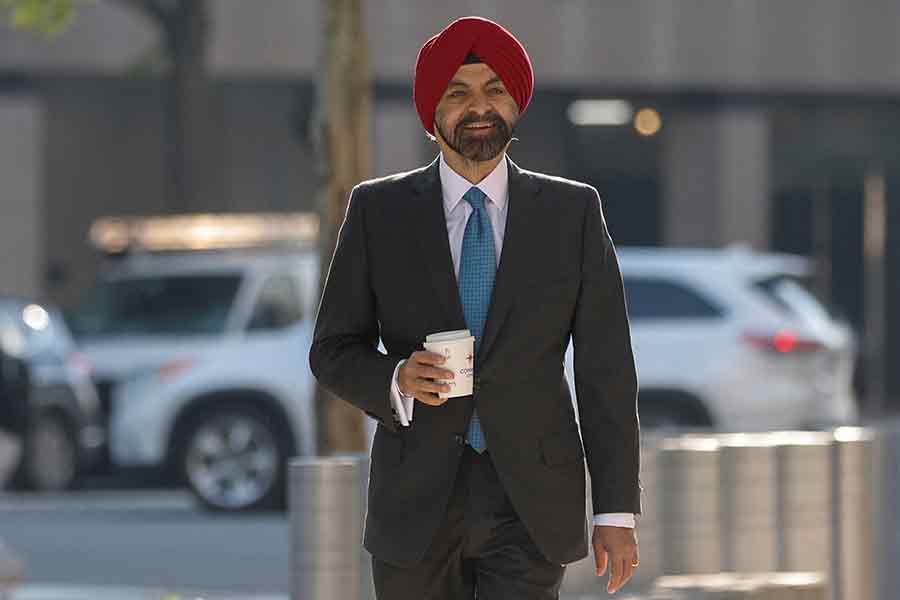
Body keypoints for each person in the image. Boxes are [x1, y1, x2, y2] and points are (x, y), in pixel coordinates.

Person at [309, 15, 641, 599]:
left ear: (516, 104)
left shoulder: (573, 214)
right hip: (415, 503)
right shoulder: (377, 212)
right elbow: (332, 350)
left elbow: (605, 371)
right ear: (432, 115)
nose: (479, 106)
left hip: (532, 502)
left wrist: (614, 512)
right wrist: (396, 377)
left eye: (494, 90)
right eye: (458, 93)